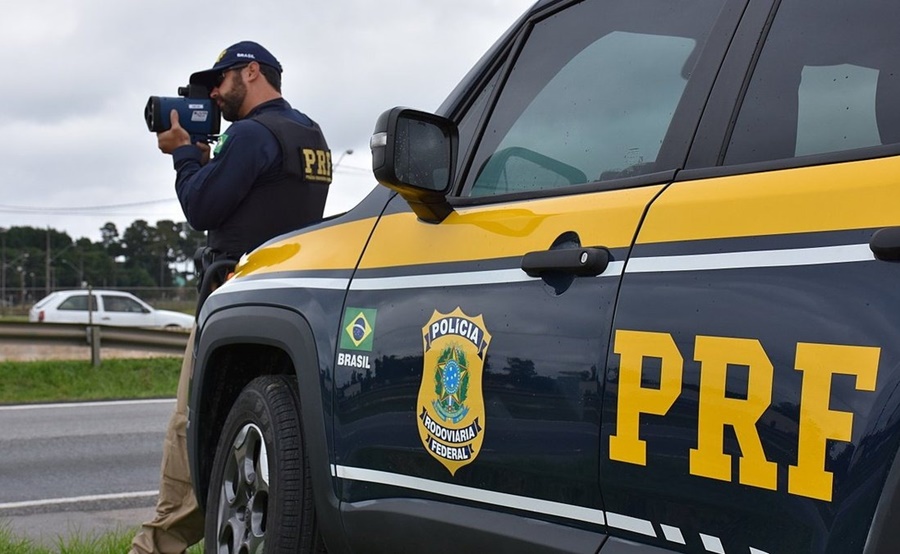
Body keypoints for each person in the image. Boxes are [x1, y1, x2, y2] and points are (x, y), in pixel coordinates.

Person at [130, 41, 332, 554]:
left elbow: (201, 207)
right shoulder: (311, 135)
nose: (214, 94)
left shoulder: (249, 134)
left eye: (220, 80)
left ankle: (156, 545)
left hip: (232, 298)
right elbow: (269, 198)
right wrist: (210, 159)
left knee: (190, 430)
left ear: (251, 72)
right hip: (289, 305)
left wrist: (183, 156)